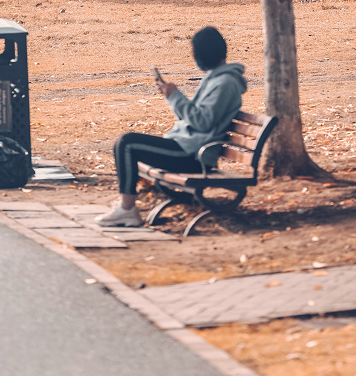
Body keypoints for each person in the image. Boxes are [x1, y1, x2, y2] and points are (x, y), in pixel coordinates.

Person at [97, 26, 247, 228]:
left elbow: (203, 123)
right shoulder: (215, 78)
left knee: (126, 143)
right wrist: (171, 96)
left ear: (205, 54)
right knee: (124, 143)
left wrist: (176, 96)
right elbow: (192, 118)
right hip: (186, 146)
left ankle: (127, 209)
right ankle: (126, 207)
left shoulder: (225, 83)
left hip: (193, 156)